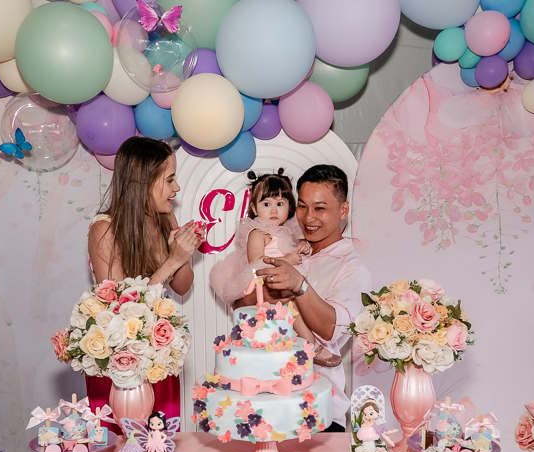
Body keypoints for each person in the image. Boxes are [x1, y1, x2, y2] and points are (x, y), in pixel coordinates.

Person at [86, 137, 203, 427]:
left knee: (161, 442)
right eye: (170, 179)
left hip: (157, 355)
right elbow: (119, 308)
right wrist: (172, 260)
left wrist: (183, 254)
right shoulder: (105, 229)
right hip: (120, 365)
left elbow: (182, 286)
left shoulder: (165, 217)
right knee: (121, 445)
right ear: (145, 181)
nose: (177, 188)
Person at [250, 164, 372, 431]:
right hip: (266, 404)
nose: (308, 217)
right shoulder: (289, 248)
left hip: (317, 412)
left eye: (320, 208)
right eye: (303, 206)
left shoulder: (352, 267)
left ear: (343, 210)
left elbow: (332, 329)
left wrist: (298, 285)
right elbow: (245, 302)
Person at [209, 169, 313, 340]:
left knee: (301, 302)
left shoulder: (288, 231)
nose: (274, 210)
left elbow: (293, 248)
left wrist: (303, 245)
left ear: (289, 206)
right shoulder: (258, 233)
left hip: (284, 278)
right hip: (264, 280)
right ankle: (311, 342)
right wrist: (287, 260)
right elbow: (256, 261)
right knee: (293, 304)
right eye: (266, 204)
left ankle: (302, 340)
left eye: (280, 204)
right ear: (254, 208)